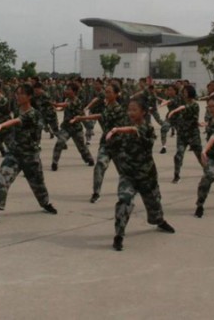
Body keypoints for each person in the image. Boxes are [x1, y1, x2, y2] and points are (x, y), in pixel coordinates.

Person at [106, 99, 175, 251]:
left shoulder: (147, 128)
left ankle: (159, 221)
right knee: (124, 201)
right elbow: (115, 147)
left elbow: (137, 132)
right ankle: (119, 235)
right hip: (128, 174)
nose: (130, 112)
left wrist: (118, 130)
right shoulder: (123, 128)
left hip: (146, 175)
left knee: (154, 203)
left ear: (143, 112)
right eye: (129, 109)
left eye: (134, 110)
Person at [0, 84, 56, 226]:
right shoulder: (18, 109)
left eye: (21, 94)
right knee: (2, 180)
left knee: (38, 184)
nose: (18, 96)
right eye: (17, 93)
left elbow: (17, 121)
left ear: (29, 96)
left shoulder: (33, 113)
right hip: (15, 153)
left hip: (30, 155)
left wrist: (1, 126)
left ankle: (45, 203)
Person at [74, 82, 129, 203]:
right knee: (99, 165)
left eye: (109, 92)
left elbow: (121, 126)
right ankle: (96, 193)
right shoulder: (107, 107)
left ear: (116, 94)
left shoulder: (119, 109)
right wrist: (82, 118)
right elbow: (100, 115)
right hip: (106, 143)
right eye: (106, 91)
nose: (106, 94)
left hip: (118, 145)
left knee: (124, 172)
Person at [50, 82, 95, 171]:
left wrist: (54, 104)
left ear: (74, 92)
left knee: (81, 147)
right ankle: (54, 163)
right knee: (60, 142)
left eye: (68, 89)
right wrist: (56, 109)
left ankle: (89, 159)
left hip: (76, 128)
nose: (66, 91)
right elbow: (63, 107)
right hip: (66, 127)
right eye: (66, 89)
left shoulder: (77, 101)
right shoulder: (67, 99)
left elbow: (64, 105)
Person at [167, 85, 204, 184]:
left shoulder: (194, 104)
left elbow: (184, 107)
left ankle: (207, 171)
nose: (184, 93)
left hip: (193, 134)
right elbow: (175, 101)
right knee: (178, 155)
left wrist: (175, 110)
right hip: (182, 134)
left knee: (200, 155)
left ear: (191, 93)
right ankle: (176, 175)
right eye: (183, 92)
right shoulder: (181, 102)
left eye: (186, 92)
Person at [158, 85, 182, 154]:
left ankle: (180, 147)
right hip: (170, 117)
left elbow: (170, 101)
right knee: (163, 129)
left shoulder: (177, 97)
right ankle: (164, 147)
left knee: (181, 133)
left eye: (171, 90)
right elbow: (167, 100)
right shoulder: (168, 97)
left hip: (178, 117)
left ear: (175, 91)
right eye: (168, 90)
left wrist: (163, 103)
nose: (169, 91)